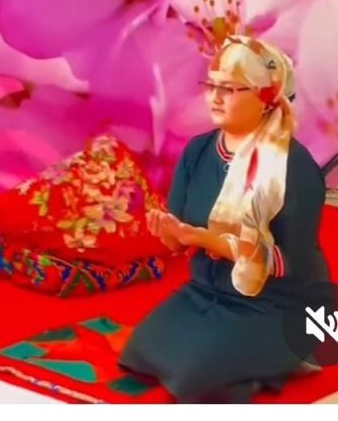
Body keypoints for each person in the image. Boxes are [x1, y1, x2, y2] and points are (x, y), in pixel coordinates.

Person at [119, 36, 329, 403]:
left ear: (266, 96)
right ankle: (237, 359)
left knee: (192, 375)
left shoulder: (294, 167)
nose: (215, 97)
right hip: (206, 293)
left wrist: (203, 239)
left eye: (229, 89)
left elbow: (284, 262)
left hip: (277, 303)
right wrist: (170, 233)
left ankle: (287, 357)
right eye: (211, 85)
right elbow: (183, 234)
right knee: (141, 351)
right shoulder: (198, 151)